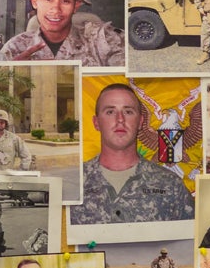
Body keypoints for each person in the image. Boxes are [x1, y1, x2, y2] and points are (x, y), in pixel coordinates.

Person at [71, 84, 195, 224]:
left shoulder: (171, 186)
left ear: (141, 122)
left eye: (128, 112)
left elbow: (190, 242)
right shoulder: (73, 185)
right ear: (96, 122)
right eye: (110, 112)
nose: (120, 119)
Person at [0, 0, 125, 66]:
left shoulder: (100, 40)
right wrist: (10, 73)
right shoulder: (15, 48)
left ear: (75, 6)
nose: (55, 9)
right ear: (34, 2)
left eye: (65, 1)